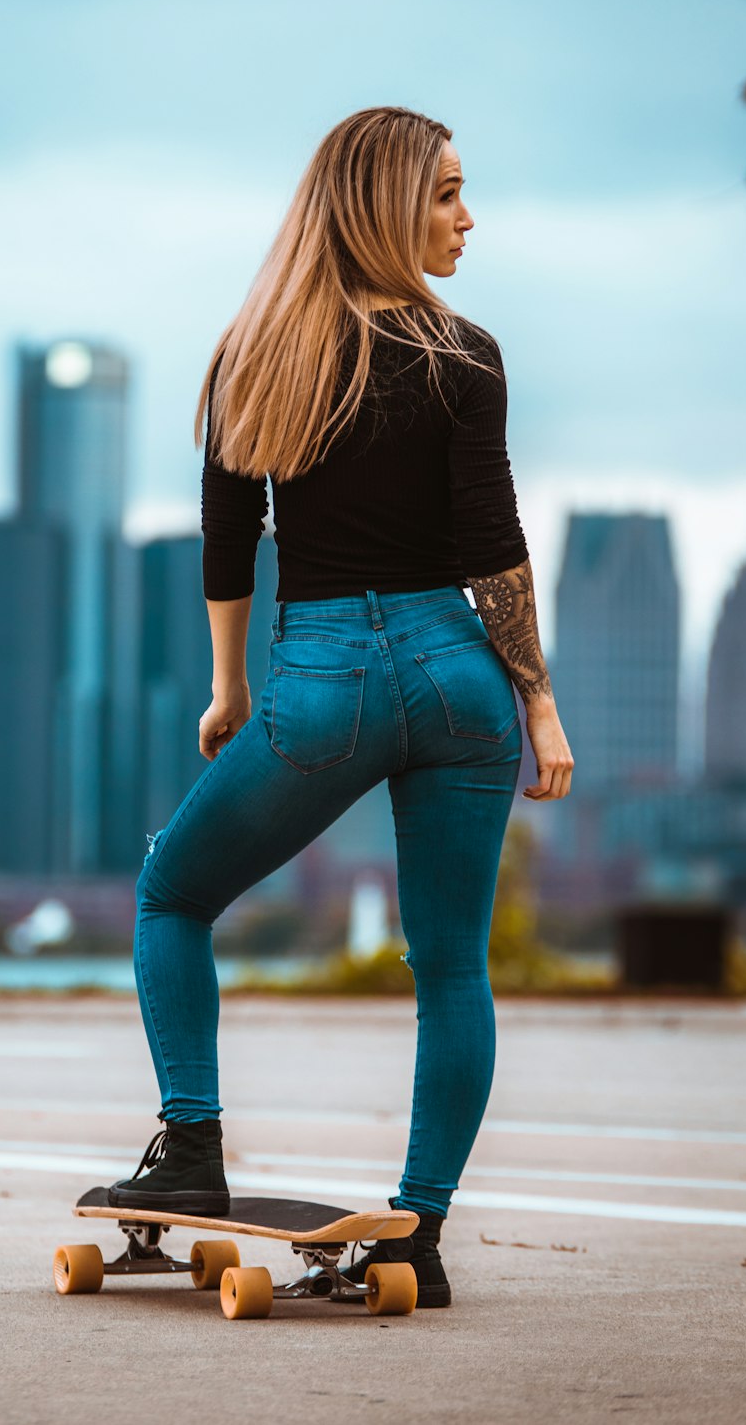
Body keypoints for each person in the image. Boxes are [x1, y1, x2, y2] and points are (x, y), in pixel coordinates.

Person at [76, 105, 573, 1309]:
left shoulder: (257, 351)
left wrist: (229, 688)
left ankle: (191, 1149)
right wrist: (538, 708)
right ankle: (419, 1235)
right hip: (461, 677)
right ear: (383, 206)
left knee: (172, 892)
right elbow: (491, 548)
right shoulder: (467, 355)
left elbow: (228, 534)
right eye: (447, 193)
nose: (467, 217)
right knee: (452, 967)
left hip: (328, 674)